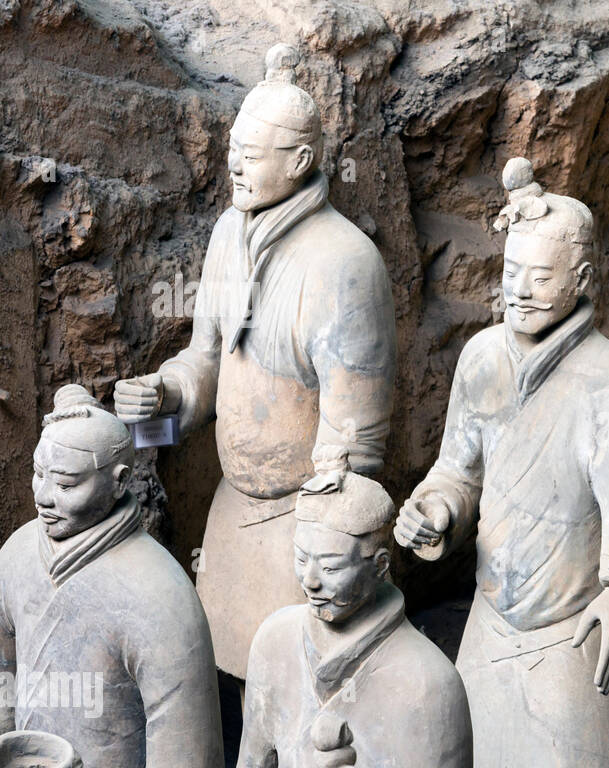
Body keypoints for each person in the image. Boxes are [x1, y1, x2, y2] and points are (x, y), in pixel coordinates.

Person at [395, 157, 609, 768]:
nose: (517, 289)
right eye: (509, 272)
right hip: (493, 621)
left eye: (538, 277)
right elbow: (458, 470)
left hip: (575, 633)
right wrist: (434, 511)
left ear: (581, 281)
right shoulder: (482, 357)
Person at [112, 44, 396, 693]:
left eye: (251, 152)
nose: (233, 163)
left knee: (296, 695)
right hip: (230, 517)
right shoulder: (225, 237)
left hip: (304, 531)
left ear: (298, 161)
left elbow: (354, 443)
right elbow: (207, 362)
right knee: (220, 686)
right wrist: (165, 395)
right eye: (233, 147)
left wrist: (323, 552)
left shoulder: (345, 264)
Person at [134, 451, 474, 768]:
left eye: (330, 567)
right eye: (301, 558)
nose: (310, 581)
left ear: (379, 566)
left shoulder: (426, 684)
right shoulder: (276, 640)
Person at [0, 385, 222, 768]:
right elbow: (3, 663)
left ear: (120, 481)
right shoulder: (17, 554)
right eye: (38, 475)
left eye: (66, 484)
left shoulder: (160, 593)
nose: (44, 497)